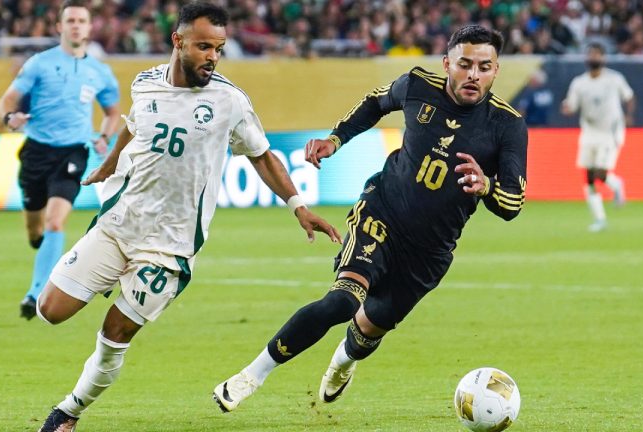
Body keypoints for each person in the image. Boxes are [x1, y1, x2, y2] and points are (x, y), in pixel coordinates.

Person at [31, 3, 341, 431]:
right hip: (119, 225)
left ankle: (68, 412)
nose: (212, 57)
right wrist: (111, 163)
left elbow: (262, 155)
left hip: (169, 249)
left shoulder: (229, 101)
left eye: (219, 49)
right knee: (50, 310)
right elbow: (134, 124)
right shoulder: (145, 83)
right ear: (177, 41)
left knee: (114, 335)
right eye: (203, 47)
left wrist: (298, 206)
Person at [213, 24, 528, 412]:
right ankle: (250, 376)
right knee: (342, 301)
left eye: (484, 67)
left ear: (496, 70)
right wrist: (336, 138)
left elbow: (513, 203)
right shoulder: (417, 85)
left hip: (430, 252)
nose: (473, 75)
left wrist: (486, 186)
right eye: (465, 64)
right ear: (447, 64)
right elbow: (375, 102)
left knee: (367, 330)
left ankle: (343, 361)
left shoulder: (507, 124)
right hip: (382, 214)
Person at [0, 0, 121, 320]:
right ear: (59, 27)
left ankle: (36, 293)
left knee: (55, 221)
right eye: (70, 21)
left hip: (73, 151)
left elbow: (112, 112)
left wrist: (104, 135)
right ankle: (39, 243)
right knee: (35, 229)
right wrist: (10, 117)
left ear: (89, 27)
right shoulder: (39, 64)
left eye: (81, 21)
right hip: (37, 151)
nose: (76, 26)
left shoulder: (100, 72)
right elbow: (7, 100)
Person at [561, 42, 634, 232]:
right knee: (589, 177)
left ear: (603, 58)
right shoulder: (579, 83)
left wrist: (629, 115)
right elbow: (572, 106)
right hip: (589, 132)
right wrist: (567, 108)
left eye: (597, 54)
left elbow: (629, 97)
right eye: (591, 54)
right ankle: (600, 219)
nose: (593, 58)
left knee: (600, 173)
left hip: (610, 132)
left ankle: (616, 185)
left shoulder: (614, 79)